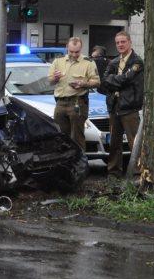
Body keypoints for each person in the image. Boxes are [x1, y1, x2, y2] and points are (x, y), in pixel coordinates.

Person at [100, 31, 144, 177]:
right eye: (117, 42)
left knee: (134, 143)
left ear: (129, 42)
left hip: (129, 107)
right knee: (114, 143)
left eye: (123, 42)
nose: (120, 45)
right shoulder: (113, 62)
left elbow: (127, 79)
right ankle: (113, 172)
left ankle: (139, 174)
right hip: (114, 106)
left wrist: (115, 80)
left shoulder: (137, 62)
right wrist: (118, 80)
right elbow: (105, 81)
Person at [48, 37, 100, 149]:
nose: (74, 54)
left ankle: (79, 164)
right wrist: (55, 78)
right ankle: (64, 163)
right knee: (60, 136)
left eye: (77, 52)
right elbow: (50, 81)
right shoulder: (58, 61)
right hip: (60, 103)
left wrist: (83, 84)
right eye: (71, 51)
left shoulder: (88, 62)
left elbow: (97, 82)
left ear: (81, 49)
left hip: (78, 102)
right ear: (67, 47)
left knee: (77, 137)